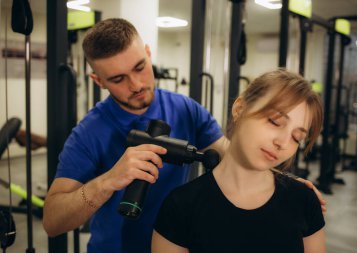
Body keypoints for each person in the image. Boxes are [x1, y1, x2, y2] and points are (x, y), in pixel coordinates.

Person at [42, 18, 325, 253]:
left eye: (140, 67)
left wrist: (287, 183)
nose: (137, 84)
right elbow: (52, 221)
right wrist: (109, 180)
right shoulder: (88, 134)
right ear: (98, 81)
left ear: (149, 54)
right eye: (118, 79)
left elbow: (236, 155)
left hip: (183, 241)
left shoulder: (186, 109)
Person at [152, 69, 326, 253]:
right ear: (239, 109)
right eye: (275, 121)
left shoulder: (304, 200)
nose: (282, 143)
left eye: (296, 137)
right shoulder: (180, 206)